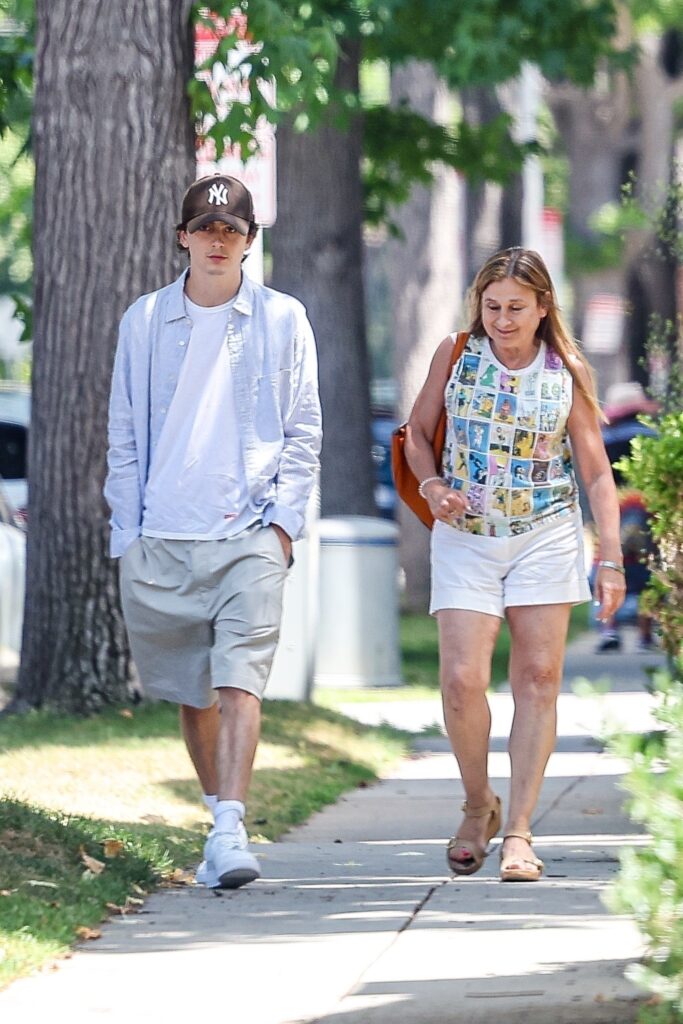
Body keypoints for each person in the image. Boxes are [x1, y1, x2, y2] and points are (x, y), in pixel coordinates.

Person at [104, 174, 322, 889]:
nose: (217, 240)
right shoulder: (143, 320)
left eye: (232, 230)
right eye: (206, 228)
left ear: (250, 241)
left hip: (250, 534)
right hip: (161, 537)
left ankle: (230, 828)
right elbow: (124, 436)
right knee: (193, 694)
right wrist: (125, 535)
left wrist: (283, 526)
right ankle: (214, 818)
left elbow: (301, 432)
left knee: (239, 684)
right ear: (183, 236)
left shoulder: (284, 320)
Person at [405, 247, 625, 882]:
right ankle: (479, 804)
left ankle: (520, 832)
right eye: (491, 306)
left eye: (515, 308)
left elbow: (594, 471)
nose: (501, 319)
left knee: (537, 678)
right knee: (462, 681)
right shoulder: (455, 354)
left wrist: (609, 560)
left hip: (545, 533)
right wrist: (431, 486)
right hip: (466, 535)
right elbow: (418, 433)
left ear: (542, 307)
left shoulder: (566, 371)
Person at [592, 381, 657, 653]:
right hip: (647, 509)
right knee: (647, 570)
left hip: (612, 510)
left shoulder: (603, 440)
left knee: (610, 566)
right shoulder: (652, 437)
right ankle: (644, 635)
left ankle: (610, 630)